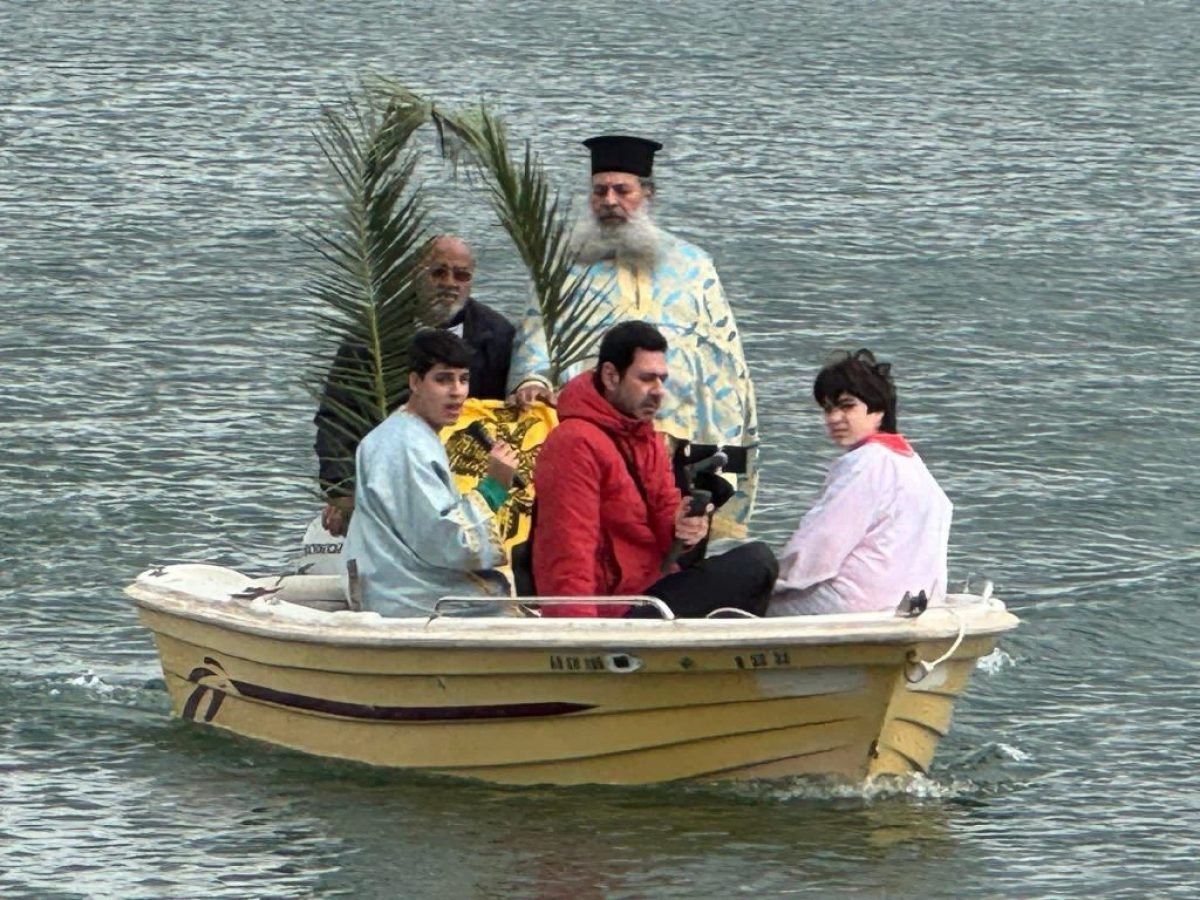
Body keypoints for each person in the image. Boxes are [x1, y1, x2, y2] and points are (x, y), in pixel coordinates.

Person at [507, 135, 759, 536]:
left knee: (683, 541)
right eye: (599, 191)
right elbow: (537, 334)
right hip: (596, 436)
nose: (610, 201)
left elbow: (724, 356)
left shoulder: (694, 264)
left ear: (647, 194)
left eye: (622, 190)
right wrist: (534, 379)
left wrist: (726, 437)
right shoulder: (562, 266)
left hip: (683, 438)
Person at [531, 321, 777, 619]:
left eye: (662, 379)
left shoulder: (645, 435)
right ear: (610, 376)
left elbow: (665, 527)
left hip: (649, 592)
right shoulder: (574, 442)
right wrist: (578, 636)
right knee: (757, 562)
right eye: (647, 379)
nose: (659, 391)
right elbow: (568, 548)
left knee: (754, 565)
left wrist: (685, 530)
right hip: (613, 613)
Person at [314, 235, 516, 536]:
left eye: (461, 275)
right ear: (416, 274)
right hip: (383, 480)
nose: (450, 282)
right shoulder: (373, 334)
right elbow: (337, 417)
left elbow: (507, 413)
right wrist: (342, 491)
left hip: (469, 477)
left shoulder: (499, 335)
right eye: (438, 272)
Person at [340, 329, 519, 617]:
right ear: (415, 382)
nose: (457, 391)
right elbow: (448, 542)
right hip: (409, 597)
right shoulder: (405, 445)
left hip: (395, 583)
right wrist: (495, 487)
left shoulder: (407, 433)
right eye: (443, 379)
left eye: (464, 379)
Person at [769, 350, 953, 616]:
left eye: (846, 406)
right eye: (828, 409)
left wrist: (773, 583)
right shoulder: (913, 465)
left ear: (878, 409)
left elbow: (823, 543)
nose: (833, 418)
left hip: (853, 603)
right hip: (914, 602)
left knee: (739, 605)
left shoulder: (864, 463)